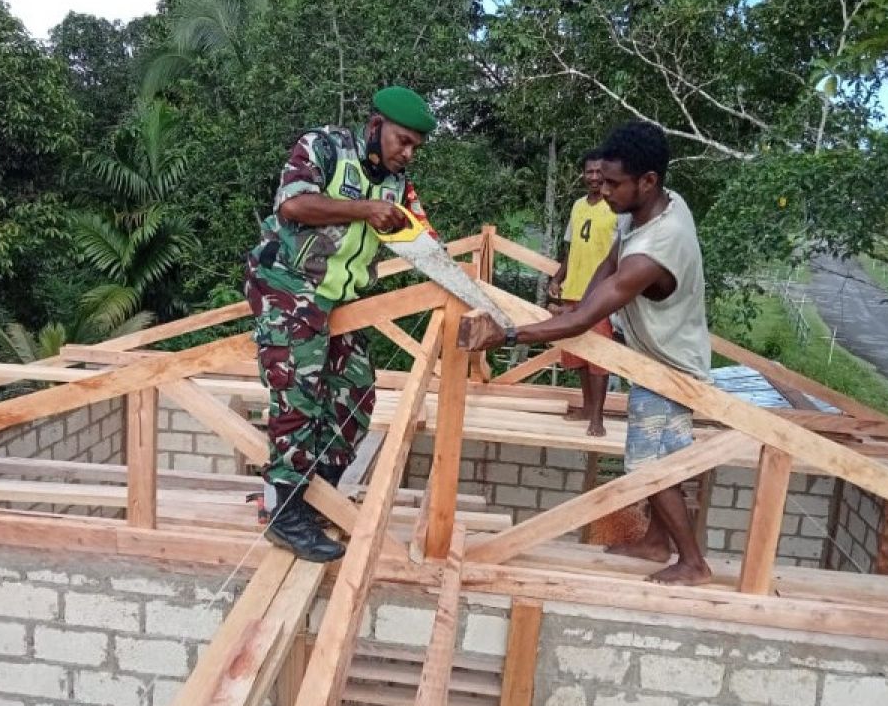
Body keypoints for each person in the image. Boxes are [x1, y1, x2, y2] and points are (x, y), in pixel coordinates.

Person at [460, 121, 713, 586]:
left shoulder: (660, 243)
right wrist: (580, 304)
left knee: (648, 466)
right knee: (665, 458)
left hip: (670, 368)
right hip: (650, 357)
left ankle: (693, 562)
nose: (605, 190)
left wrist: (511, 333)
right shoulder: (644, 209)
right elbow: (607, 264)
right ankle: (658, 543)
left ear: (648, 181)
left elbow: (591, 309)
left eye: (615, 183)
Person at [244, 86, 438, 562]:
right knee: (298, 395)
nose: (407, 153)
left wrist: (451, 274)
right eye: (402, 140)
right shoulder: (325, 148)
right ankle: (284, 515)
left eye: (415, 146)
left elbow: (426, 237)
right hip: (289, 284)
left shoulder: (398, 186)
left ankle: (316, 497)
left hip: (340, 298)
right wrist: (364, 209)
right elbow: (292, 205)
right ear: (375, 126)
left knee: (355, 394)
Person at [547, 150, 619, 437]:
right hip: (573, 289)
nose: (593, 177)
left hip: (601, 293)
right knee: (577, 354)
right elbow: (572, 247)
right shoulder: (578, 206)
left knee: (598, 356)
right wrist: (558, 277)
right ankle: (587, 407)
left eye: (599, 172)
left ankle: (598, 418)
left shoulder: (614, 208)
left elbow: (620, 253)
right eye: (588, 172)